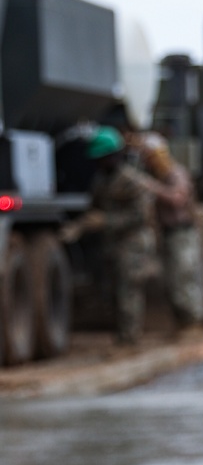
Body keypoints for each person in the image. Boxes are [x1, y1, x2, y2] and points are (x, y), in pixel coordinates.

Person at [62, 127, 160, 346]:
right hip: (113, 245)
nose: (99, 163)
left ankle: (130, 338)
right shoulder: (101, 181)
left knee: (129, 290)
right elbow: (94, 210)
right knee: (113, 291)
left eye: (103, 158)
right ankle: (123, 335)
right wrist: (79, 227)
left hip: (133, 244)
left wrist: (107, 221)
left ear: (114, 156)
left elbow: (141, 217)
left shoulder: (131, 181)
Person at [136, 133, 203, 327]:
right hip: (168, 234)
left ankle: (192, 321)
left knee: (184, 277)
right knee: (171, 281)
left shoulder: (176, 174)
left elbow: (177, 199)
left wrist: (152, 188)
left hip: (182, 233)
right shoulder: (157, 177)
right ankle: (182, 321)